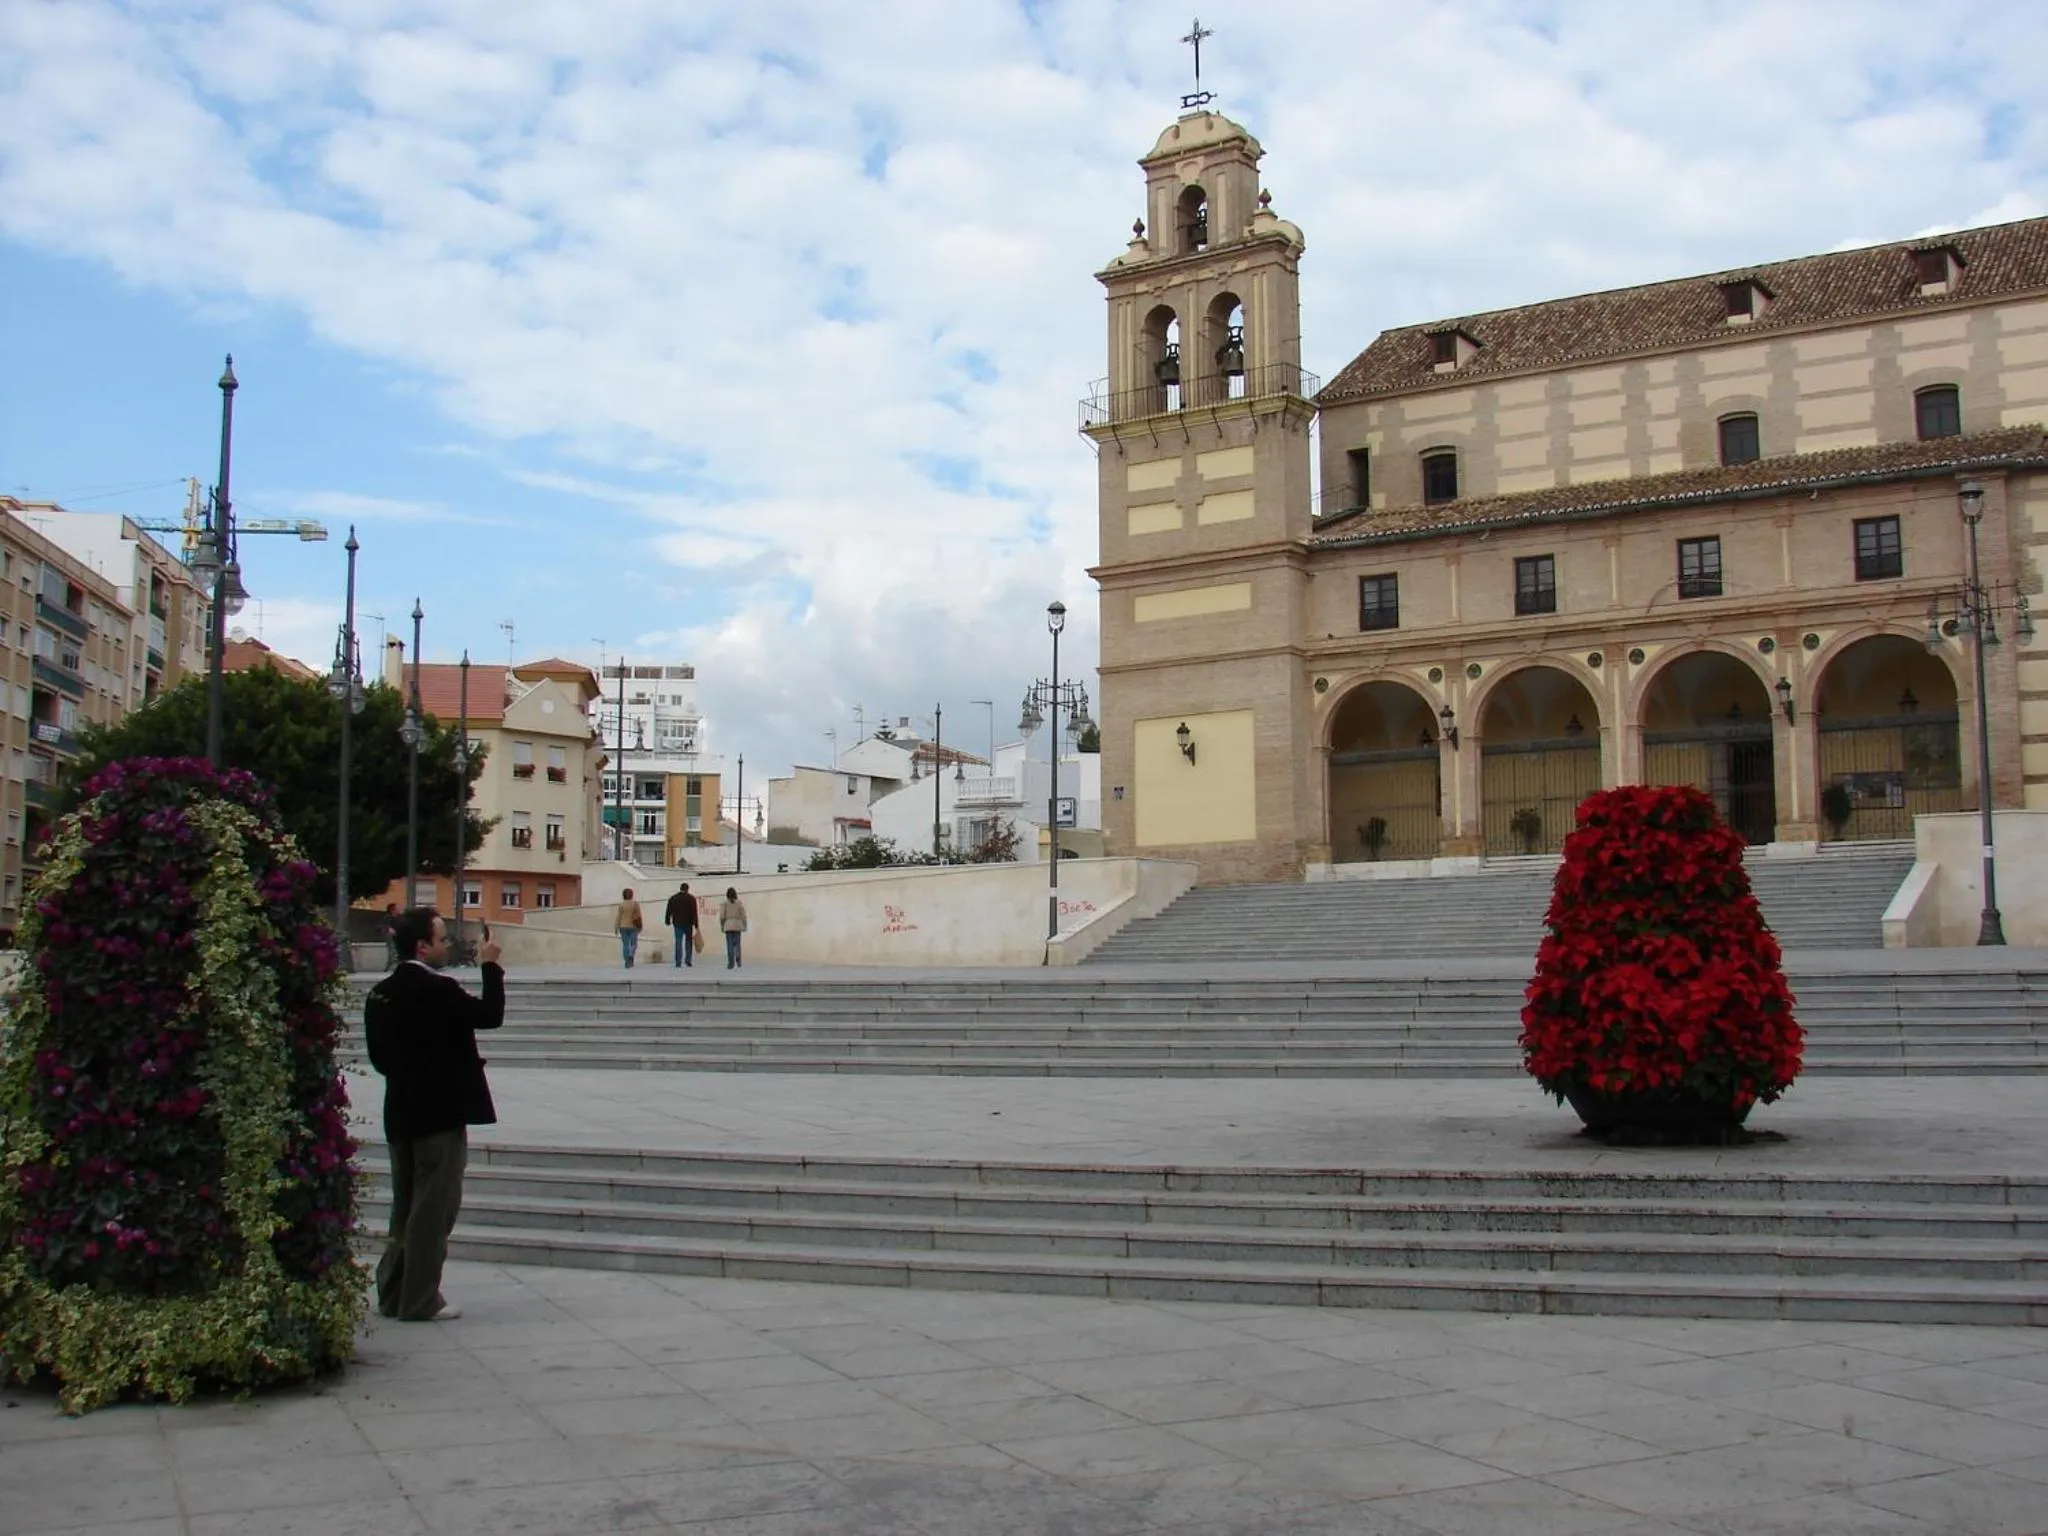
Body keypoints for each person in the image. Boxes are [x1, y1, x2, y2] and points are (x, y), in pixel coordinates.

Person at [363, 908, 504, 1323]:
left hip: (401, 1112)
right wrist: (491, 966)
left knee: (405, 1207)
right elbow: (489, 1016)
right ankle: (421, 1298)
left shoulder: (380, 993)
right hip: (439, 1116)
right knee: (434, 1210)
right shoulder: (437, 990)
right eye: (442, 939)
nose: (447, 945)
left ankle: (393, 1293)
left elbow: (381, 1060)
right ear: (422, 946)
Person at [664, 880, 699, 968]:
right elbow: (694, 912)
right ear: (687, 889)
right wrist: (696, 924)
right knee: (688, 942)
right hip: (688, 923)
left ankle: (678, 961)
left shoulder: (673, 898)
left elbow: (669, 911)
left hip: (677, 923)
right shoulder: (691, 898)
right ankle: (688, 960)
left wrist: (667, 920)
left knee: (678, 942)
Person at [613, 887, 643, 969]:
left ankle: (627, 961)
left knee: (625, 944)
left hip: (623, 926)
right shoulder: (635, 904)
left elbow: (618, 917)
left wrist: (616, 927)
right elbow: (639, 916)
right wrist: (640, 926)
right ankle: (631, 955)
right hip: (633, 926)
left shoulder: (621, 905)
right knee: (633, 943)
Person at [718, 886, 748, 970]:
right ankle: (738, 959)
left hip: (728, 925)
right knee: (737, 944)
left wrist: (722, 925)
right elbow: (743, 915)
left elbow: (722, 916)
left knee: (729, 945)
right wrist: (745, 925)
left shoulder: (724, 904)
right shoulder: (739, 903)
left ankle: (731, 962)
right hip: (737, 925)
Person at [382, 902, 401, 970]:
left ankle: (390, 964)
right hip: (392, 939)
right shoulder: (387, 917)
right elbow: (379, 926)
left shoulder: (400, 918)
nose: (399, 909)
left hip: (400, 938)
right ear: (393, 910)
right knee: (393, 950)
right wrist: (388, 928)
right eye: (398, 908)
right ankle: (395, 964)